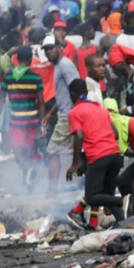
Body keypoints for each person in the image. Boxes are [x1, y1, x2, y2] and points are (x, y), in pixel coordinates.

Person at [65, 79, 124, 229]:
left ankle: (123, 201)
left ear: (72, 95)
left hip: (98, 156)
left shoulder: (74, 112)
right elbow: (115, 134)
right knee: (104, 197)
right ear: (85, 92)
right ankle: (117, 225)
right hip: (115, 155)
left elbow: (78, 136)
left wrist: (74, 164)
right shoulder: (101, 109)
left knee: (92, 196)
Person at [0, 46, 45, 185]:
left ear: (16, 59)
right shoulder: (36, 78)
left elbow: (1, 99)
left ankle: (26, 173)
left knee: (18, 152)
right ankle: (27, 178)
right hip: (33, 120)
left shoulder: (9, 76)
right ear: (30, 60)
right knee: (28, 151)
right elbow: (41, 102)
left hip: (17, 120)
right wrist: (42, 123)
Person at [44, 35, 81, 197]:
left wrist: (77, 113)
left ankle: (52, 192)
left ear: (60, 47)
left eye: (51, 48)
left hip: (69, 116)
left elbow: (78, 89)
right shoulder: (59, 65)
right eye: (45, 49)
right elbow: (63, 94)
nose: (48, 52)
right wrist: (51, 113)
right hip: (65, 113)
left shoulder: (65, 65)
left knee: (52, 151)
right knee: (80, 151)